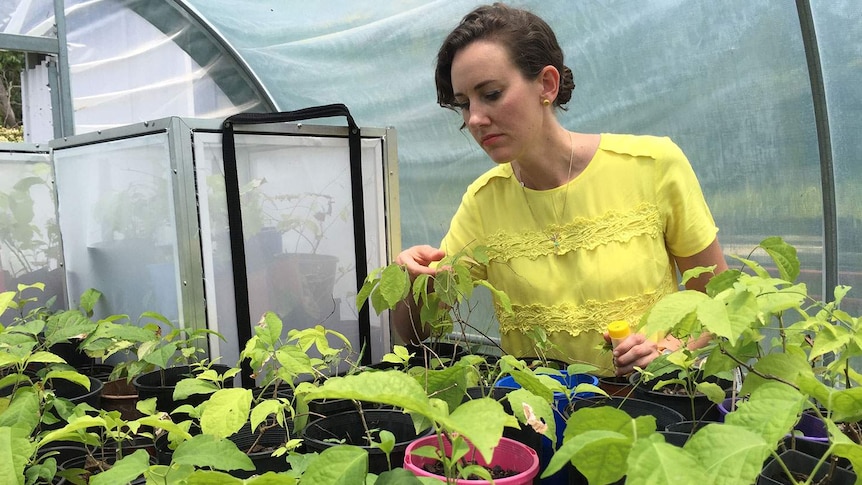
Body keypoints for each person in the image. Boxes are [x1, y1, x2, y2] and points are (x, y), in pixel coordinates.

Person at [393, 3, 728, 377]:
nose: (474, 118)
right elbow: (418, 335)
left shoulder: (652, 166)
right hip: (538, 419)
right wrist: (411, 283)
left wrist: (671, 349)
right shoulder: (484, 202)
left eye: (491, 94)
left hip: (649, 408)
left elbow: (717, 300)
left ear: (547, 85)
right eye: (463, 104)